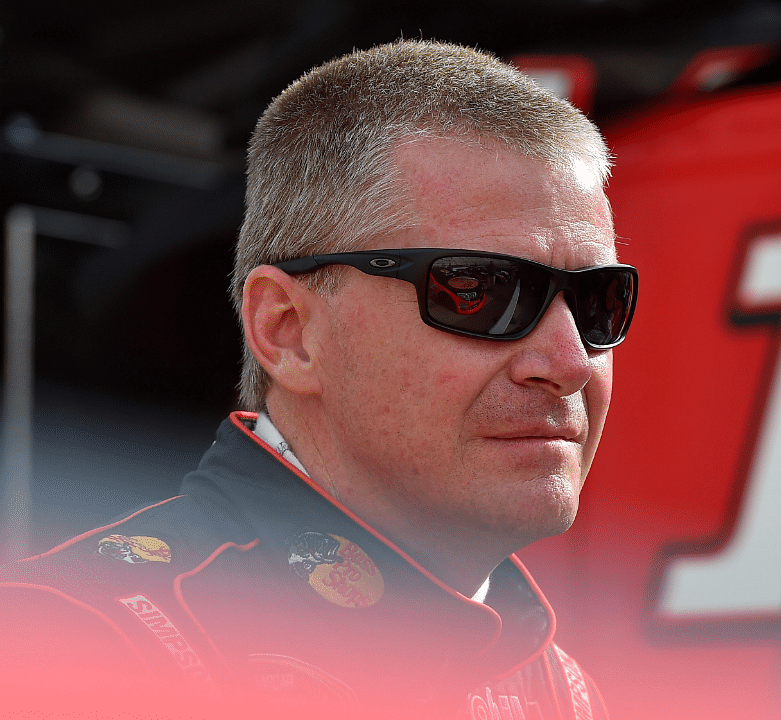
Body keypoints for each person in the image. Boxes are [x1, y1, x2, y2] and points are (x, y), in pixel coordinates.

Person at [0, 40, 636, 719]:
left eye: (600, 302)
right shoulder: (82, 648)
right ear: (288, 331)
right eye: (482, 290)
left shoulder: (563, 693)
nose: (569, 362)